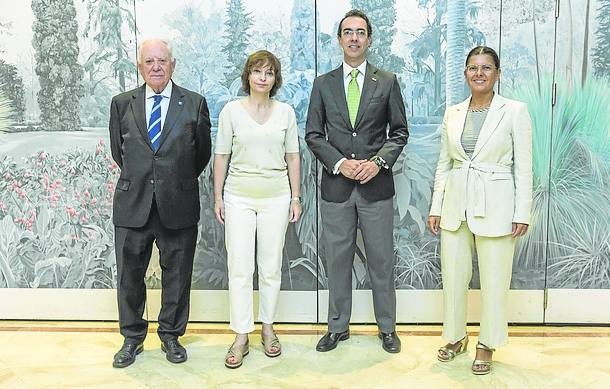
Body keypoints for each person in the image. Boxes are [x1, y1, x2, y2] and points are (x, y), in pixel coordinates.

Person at [305, 9, 409, 354]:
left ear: (369, 39)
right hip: (337, 189)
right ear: (339, 40)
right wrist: (340, 163)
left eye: (360, 32)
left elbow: (400, 133)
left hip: (376, 189)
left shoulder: (388, 81)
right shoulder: (323, 84)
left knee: (381, 260)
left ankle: (387, 329)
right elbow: (314, 135)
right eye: (347, 32)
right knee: (337, 260)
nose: (354, 38)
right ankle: (337, 327)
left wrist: (377, 162)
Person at [428, 46, 532, 375]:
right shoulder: (453, 112)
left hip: (498, 205)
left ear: (497, 74)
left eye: (486, 68)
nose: (479, 73)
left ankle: (487, 343)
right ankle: (456, 337)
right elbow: (444, 164)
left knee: (494, 279)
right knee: (454, 277)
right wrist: (436, 206)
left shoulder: (514, 111)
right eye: (473, 67)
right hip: (455, 205)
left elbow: (524, 168)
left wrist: (522, 212)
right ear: (465, 74)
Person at [109, 39, 212, 368]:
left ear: (173, 64)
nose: (156, 66)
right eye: (149, 61)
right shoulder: (121, 103)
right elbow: (118, 152)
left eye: (162, 61)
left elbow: (201, 155)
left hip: (177, 203)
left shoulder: (194, 104)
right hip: (132, 203)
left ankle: (170, 334)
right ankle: (132, 338)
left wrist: (172, 179)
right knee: (129, 276)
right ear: (140, 66)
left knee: (177, 275)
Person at [213, 50, 302, 369]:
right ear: (248, 76)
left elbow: (293, 156)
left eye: (269, 72)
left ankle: (268, 328)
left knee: (270, 266)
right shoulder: (231, 112)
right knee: (239, 267)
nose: (263, 77)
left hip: (277, 198)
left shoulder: (286, 113)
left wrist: (295, 197)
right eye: (257, 71)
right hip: (238, 197)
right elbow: (221, 156)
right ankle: (240, 335)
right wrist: (218, 197)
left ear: (275, 79)